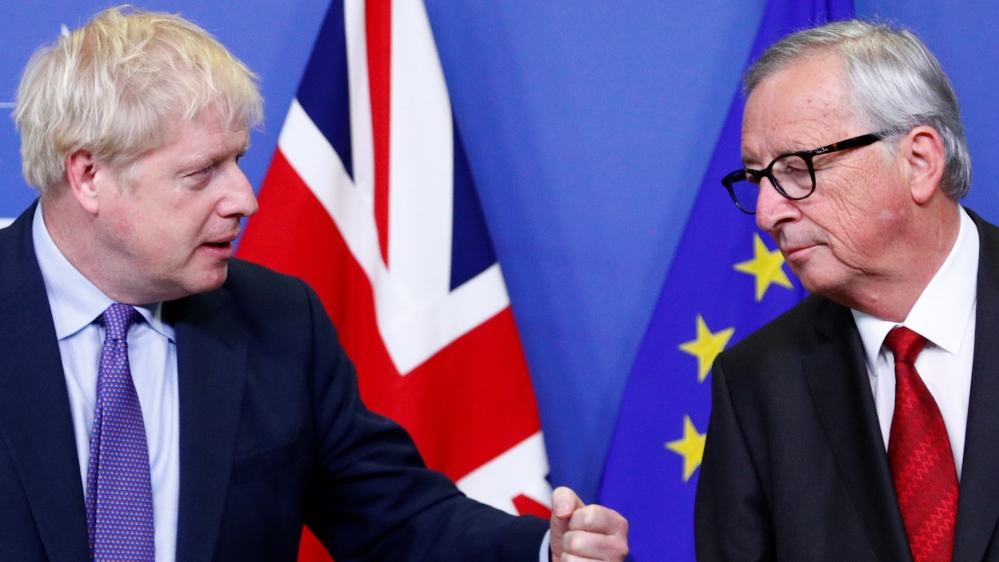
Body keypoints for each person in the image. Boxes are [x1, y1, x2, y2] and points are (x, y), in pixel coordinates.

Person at [0, 7, 629, 562]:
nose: (244, 199)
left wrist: (547, 551)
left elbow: (398, 521)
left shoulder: (278, 320)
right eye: (202, 173)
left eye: (237, 160)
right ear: (89, 176)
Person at [695, 20, 997, 562]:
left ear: (919, 162)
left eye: (797, 168)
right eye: (758, 179)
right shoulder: (756, 385)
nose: (767, 214)